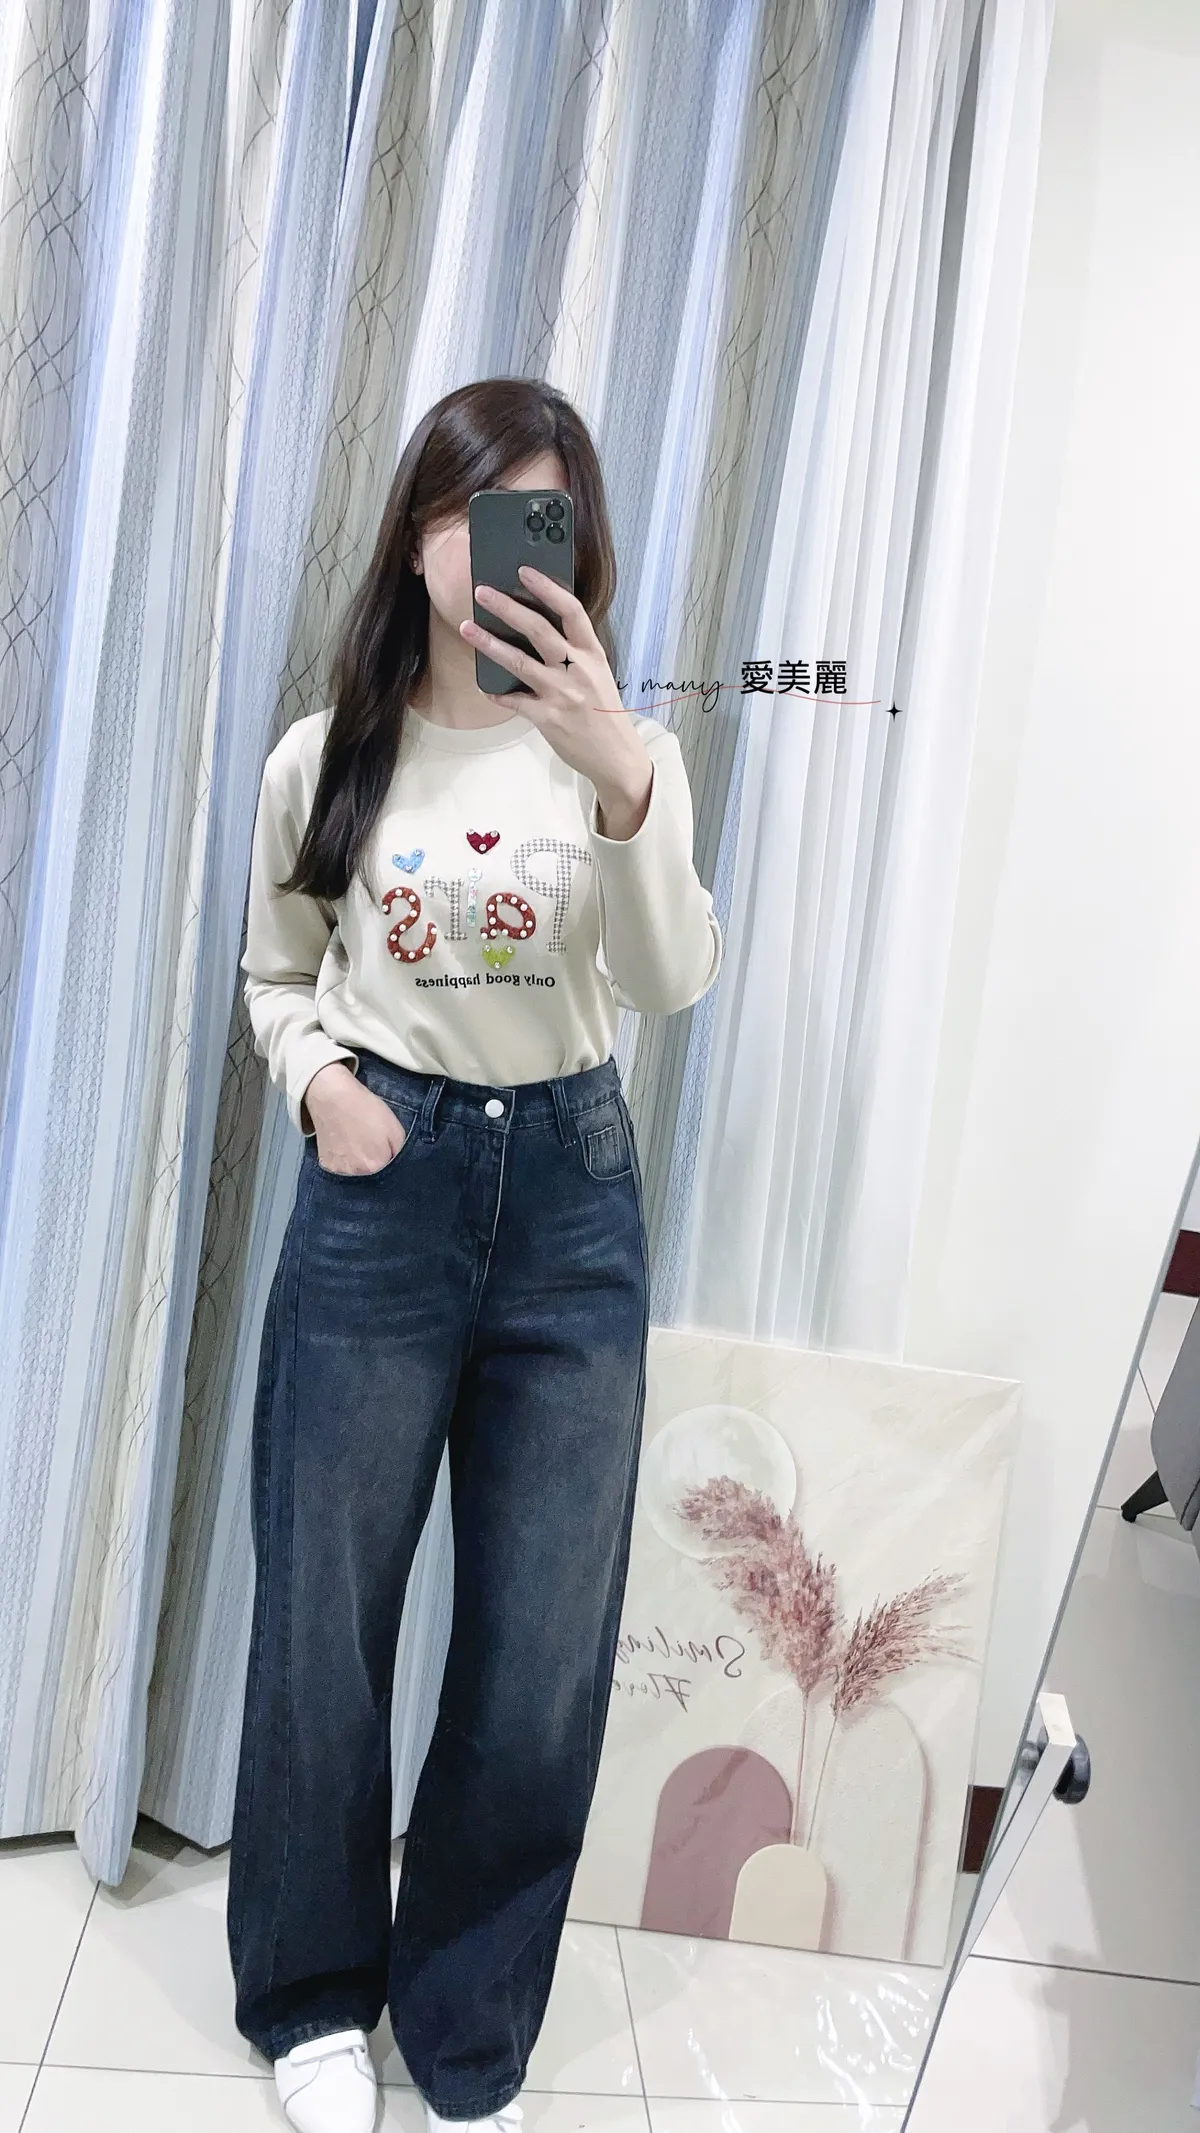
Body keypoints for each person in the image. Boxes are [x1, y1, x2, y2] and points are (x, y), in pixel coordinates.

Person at [229, 375, 723, 2133]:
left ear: (576, 547)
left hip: (571, 1204)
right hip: (383, 1190)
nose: (495, 548)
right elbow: (275, 974)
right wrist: (321, 1090)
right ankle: (309, 2001)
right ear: (416, 531)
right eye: (468, 509)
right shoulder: (328, 755)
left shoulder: (619, 756)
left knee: (538, 1645)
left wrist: (622, 772)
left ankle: (464, 2025)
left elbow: (670, 982)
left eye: (538, 514)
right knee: (324, 1618)